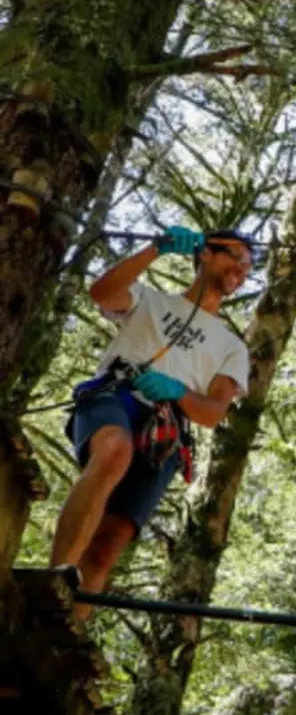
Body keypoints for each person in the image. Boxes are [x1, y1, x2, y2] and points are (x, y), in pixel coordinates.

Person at [50, 226, 253, 620]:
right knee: (112, 449)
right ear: (206, 254)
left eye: (249, 264)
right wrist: (155, 249)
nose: (243, 268)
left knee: (110, 543)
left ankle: (66, 629)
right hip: (117, 394)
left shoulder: (232, 347)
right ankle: (56, 578)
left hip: (165, 429)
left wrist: (176, 391)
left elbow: (212, 413)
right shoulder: (150, 300)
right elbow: (102, 293)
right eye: (235, 256)